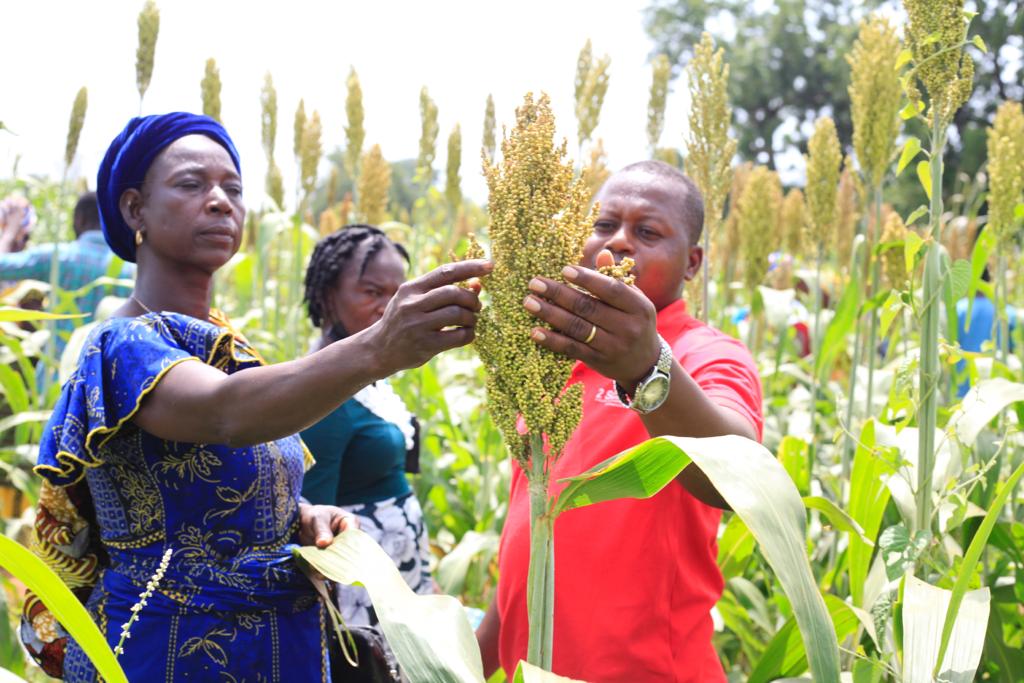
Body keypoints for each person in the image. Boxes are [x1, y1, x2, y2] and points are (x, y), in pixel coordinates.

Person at [19, 112, 491, 682]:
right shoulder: (123, 344)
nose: (220, 201)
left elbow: (228, 482)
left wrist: (303, 517)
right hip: (168, 650)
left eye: (233, 188)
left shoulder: (232, 348)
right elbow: (224, 412)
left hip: (279, 646)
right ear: (134, 209)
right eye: (192, 184)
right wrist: (379, 346)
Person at [476, 161, 764, 681]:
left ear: (692, 263)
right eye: (605, 226)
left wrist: (644, 369)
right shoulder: (553, 357)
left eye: (648, 232)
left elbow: (739, 473)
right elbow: (535, 531)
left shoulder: (703, 354)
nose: (621, 242)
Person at [300, 225, 433, 626]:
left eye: (397, 295)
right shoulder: (323, 393)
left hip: (397, 573)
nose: (390, 309)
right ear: (328, 297)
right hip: (361, 594)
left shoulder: (369, 380)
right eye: (373, 293)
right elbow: (313, 529)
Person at [0, 192, 136, 347]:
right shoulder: (131, 270)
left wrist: (10, 232)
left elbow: (2, 266)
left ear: (80, 220)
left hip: (54, 367)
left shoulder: (56, 256)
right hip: (105, 369)